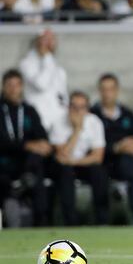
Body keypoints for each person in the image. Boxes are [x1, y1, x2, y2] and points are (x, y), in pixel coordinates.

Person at [90, 74, 133, 223]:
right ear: (100, 91)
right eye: (104, 89)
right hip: (102, 161)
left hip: (124, 161)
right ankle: (102, 220)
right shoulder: (92, 115)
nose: (108, 93)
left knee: (132, 164)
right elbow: (88, 144)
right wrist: (116, 147)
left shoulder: (128, 114)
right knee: (98, 173)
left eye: (111, 89)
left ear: (117, 91)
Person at [0, 69, 51, 227]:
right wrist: (27, 145)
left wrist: (45, 146)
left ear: (22, 87)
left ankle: (41, 222)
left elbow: (42, 136)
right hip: (5, 164)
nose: (13, 89)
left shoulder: (29, 111)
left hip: (28, 165)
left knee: (38, 165)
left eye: (17, 85)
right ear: (3, 87)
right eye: (10, 85)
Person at [51, 91, 108, 225]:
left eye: (81, 107)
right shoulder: (59, 122)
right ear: (69, 107)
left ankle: (102, 220)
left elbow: (98, 157)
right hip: (63, 167)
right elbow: (61, 156)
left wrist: (74, 161)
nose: (77, 111)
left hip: (81, 163)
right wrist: (77, 130)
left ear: (87, 109)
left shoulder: (95, 122)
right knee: (65, 172)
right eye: (74, 107)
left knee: (99, 172)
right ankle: (70, 222)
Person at [19, 28, 67, 134]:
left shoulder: (55, 64)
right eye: (46, 39)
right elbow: (42, 84)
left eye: (52, 39)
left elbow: (62, 94)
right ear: (38, 41)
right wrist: (46, 56)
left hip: (59, 120)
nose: (50, 43)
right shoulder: (27, 63)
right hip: (40, 120)